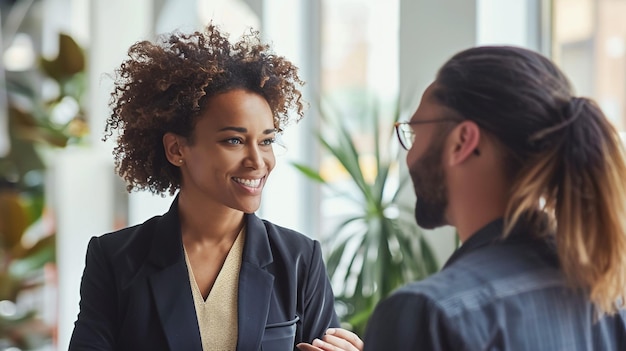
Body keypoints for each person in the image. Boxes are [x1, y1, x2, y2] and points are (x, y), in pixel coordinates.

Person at [68, 23, 362, 351]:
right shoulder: (116, 260)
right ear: (176, 149)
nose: (258, 161)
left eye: (266, 141)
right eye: (234, 140)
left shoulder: (298, 260)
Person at [364, 45, 626, 350]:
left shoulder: (426, 313)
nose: (408, 158)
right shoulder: (604, 294)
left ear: (462, 141)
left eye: (414, 133)